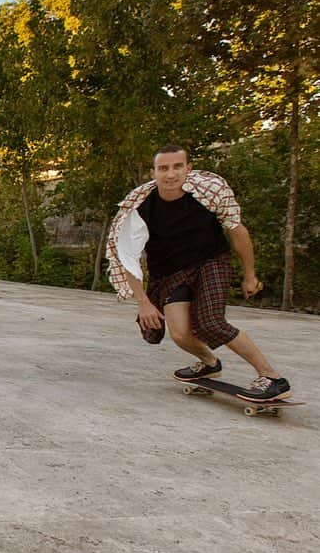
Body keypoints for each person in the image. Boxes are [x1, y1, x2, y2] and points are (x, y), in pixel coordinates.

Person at [106, 144, 292, 401]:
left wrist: (250, 274)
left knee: (211, 323)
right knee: (179, 332)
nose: (170, 174)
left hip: (210, 262)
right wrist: (143, 302)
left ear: (188, 169)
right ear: (153, 173)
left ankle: (272, 378)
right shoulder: (141, 208)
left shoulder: (208, 193)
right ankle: (209, 362)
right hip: (169, 273)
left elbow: (237, 231)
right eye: (163, 168)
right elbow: (128, 257)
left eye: (177, 167)